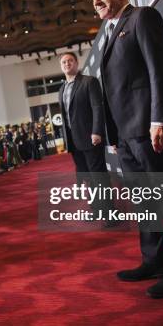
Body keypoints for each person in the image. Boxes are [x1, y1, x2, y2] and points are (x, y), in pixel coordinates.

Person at [92, 0, 163, 298]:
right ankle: (155, 261)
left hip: (148, 128)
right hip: (125, 135)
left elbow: (158, 69)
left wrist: (160, 119)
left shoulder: (142, 17)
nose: (95, 2)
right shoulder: (110, 32)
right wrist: (112, 133)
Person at [57, 52, 113, 217]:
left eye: (70, 61)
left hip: (91, 138)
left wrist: (97, 131)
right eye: (64, 62)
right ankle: (96, 209)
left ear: (76, 63)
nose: (67, 64)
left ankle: (109, 213)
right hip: (74, 142)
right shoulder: (61, 89)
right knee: (88, 177)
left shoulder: (89, 82)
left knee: (99, 176)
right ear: (61, 67)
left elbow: (97, 108)